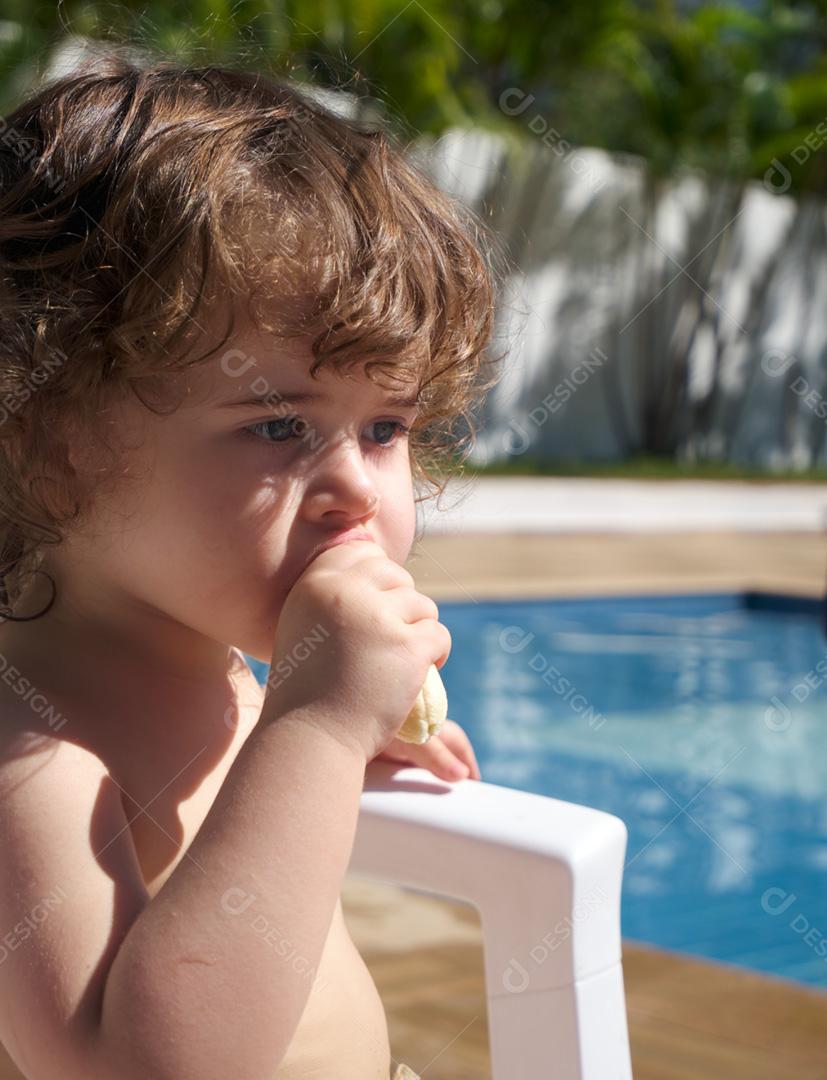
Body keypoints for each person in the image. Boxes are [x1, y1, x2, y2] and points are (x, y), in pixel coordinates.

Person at [0, 42, 504, 1080]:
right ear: (49, 441)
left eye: (386, 428)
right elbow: (141, 1065)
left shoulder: (224, 680)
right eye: (278, 427)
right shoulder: (28, 758)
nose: (357, 490)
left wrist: (325, 748)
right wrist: (315, 737)